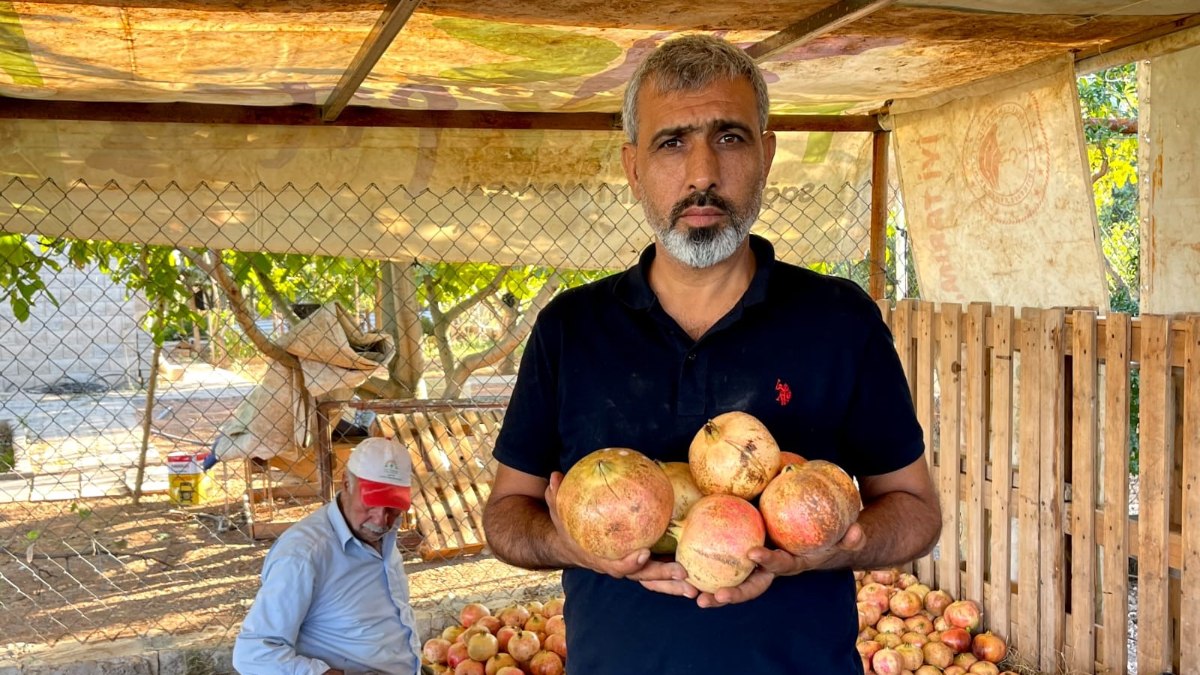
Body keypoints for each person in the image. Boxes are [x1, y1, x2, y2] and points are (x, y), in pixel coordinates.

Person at [482, 34, 942, 674]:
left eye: (730, 137)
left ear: (767, 155)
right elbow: (506, 516)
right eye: (671, 142)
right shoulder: (570, 329)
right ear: (633, 166)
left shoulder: (840, 321)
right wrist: (573, 544)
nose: (702, 173)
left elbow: (917, 512)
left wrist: (826, 549)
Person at [233, 437, 422, 675]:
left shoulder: (383, 534)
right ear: (345, 483)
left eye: (392, 507)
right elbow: (253, 654)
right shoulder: (303, 554)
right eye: (371, 504)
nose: (381, 520)